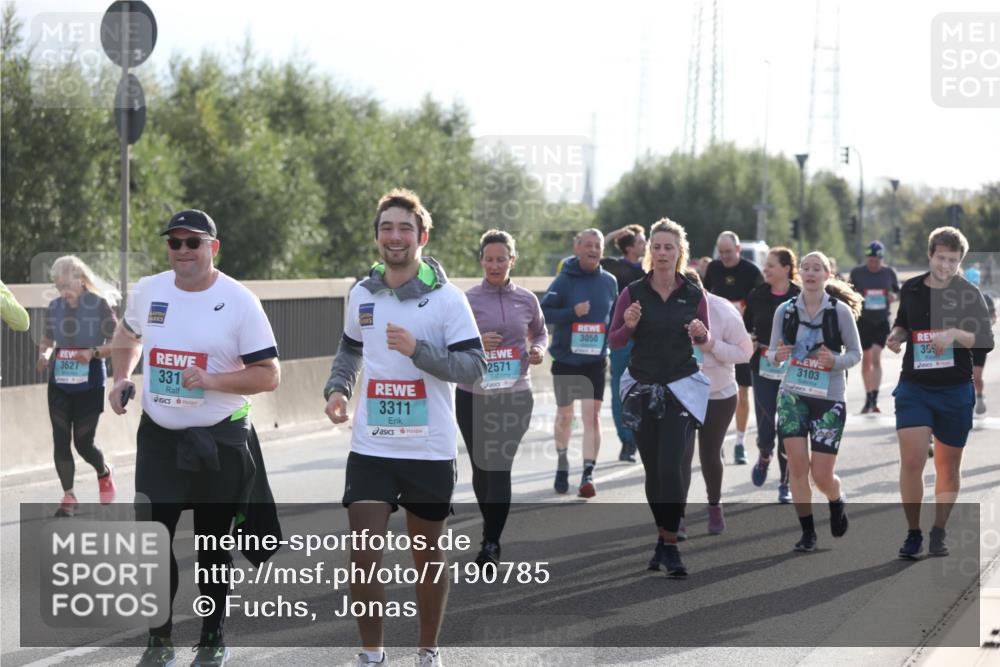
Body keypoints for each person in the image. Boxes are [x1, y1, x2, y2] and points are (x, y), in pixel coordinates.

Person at [108, 209, 281, 667]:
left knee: (211, 544)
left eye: (193, 242)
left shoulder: (240, 301)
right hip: (160, 438)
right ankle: (158, 639)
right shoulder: (149, 291)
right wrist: (121, 377)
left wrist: (212, 381)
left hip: (218, 440)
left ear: (213, 248)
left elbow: (269, 375)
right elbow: (126, 337)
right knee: (151, 540)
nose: (182, 251)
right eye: (175, 243)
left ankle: (211, 637)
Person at [323, 189, 485, 667]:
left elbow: (474, 367)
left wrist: (418, 350)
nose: (395, 237)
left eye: (405, 229)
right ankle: (371, 654)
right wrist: (338, 388)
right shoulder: (362, 293)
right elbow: (351, 348)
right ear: (377, 236)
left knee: (427, 557)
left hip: (429, 448)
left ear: (422, 236)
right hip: (372, 446)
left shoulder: (446, 299)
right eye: (387, 228)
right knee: (364, 552)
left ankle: (427, 650)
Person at [610, 218, 711, 577]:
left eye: (669, 247)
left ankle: (671, 545)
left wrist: (701, 335)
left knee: (672, 466)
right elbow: (616, 341)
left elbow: (704, 340)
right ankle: (662, 536)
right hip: (642, 388)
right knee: (653, 470)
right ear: (649, 251)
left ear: (680, 252)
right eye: (657, 246)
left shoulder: (694, 295)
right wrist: (630, 324)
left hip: (680, 389)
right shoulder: (633, 293)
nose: (662, 252)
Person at [887, 227, 994, 559]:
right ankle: (913, 533)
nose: (946, 265)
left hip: (954, 390)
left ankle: (939, 530)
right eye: (941, 257)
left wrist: (952, 334)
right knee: (913, 460)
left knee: (947, 467)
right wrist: (896, 335)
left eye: (953, 260)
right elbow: (904, 322)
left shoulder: (968, 292)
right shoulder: (913, 288)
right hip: (915, 386)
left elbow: (984, 339)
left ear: (960, 261)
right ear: (930, 254)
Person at [456, 229, 547, 569]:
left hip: (514, 395)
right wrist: (477, 341)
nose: (495, 265)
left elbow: (540, 331)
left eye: (501, 259)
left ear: (513, 260)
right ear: (481, 261)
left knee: (498, 466)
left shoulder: (526, 299)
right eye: (489, 259)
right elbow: (451, 340)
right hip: (473, 395)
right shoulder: (467, 300)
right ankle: (490, 528)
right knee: (481, 469)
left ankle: (490, 543)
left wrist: (537, 348)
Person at [768, 251, 862, 552]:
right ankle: (807, 532)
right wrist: (777, 357)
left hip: (829, 398)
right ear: (799, 275)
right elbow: (772, 354)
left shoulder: (840, 312)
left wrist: (834, 360)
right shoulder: (785, 311)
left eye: (817, 268)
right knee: (797, 467)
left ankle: (836, 499)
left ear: (827, 274)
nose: (810, 272)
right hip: (793, 394)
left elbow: (855, 355)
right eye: (805, 268)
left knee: (821, 475)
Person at [36, 256, 119, 517]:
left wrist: (93, 352)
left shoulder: (99, 305)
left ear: (81, 279)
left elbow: (117, 342)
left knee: (83, 443)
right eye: (58, 285)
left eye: (65, 283)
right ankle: (68, 495)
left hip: (90, 383)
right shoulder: (54, 307)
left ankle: (103, 471)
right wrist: (44, 355)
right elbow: (48, 340)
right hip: (60, 383)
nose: (62, 289)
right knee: (60, 441)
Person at [540, 229, 618, 497]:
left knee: (592, 417)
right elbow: (544, 311)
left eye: (597, 245)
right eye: (588, 245)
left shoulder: (609, 281)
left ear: (602, 251)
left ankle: (588, 472)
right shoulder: (564, 280)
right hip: (566, 359)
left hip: (595, 360)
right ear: (578, 248)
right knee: (565, 415)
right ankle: (562, 464)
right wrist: (572, 313)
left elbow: (615, 316)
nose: (593, 249)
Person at [679, 268, 752, 535]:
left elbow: (745, 353)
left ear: (702, 292)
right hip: (681, 393)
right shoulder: (669, 309)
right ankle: (678, 516)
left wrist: (712, 346)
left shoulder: (722, 310)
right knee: (681, 456)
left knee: (710, 454)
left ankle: (714, 505)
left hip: (718, 393)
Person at [745, 247, 801, 503]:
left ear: (786, 268)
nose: (765, 269)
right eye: (765, 265)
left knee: (787, 428)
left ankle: (784, 483)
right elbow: (746, 328)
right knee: (767, 428)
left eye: (770, 265)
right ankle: (764, 453)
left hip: (794, 371)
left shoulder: (799, 296)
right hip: (763, 369)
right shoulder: (757, 294)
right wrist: (750, 340)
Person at [703, 231, 764, 464]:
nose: (725, 257)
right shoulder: (714, 269)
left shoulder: (751, 272)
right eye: (722, 253)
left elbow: (760, 302)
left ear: (738, 250)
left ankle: (739, 442)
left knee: (742, 390)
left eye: (729, 252)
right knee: (715, 391)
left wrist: (754, 333)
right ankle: (717, 441)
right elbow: (704, 298)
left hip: (741, 337)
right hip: (716, 339)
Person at [600, 224, 647, 463]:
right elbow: (595, 250)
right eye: (641, 242)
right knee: (620, 390)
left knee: (645, 388)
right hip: (620, 337)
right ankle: (627, 441)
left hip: (648, 338)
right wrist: (615, 234)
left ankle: (644, 437)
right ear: (629, 248)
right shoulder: (614, 266)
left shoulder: (650, 267)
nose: (645, 245)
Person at [849, 241, 900, 414]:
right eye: (870, 260)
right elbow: (849, 292)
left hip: (881, 321)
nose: (873, 263)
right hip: (863, 321)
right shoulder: (857, 273)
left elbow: (897, 291)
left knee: (877, 357)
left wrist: (894, 296)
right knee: (867, 360)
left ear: (881, 259)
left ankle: (874, 399)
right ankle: (868, 396)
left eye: (876, 261)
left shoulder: (888, 273)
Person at [973, 291, 996, 415]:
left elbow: (993, 317)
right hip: (960, 344)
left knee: (976, 377)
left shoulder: (986, 297)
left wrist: (985, 325)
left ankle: (980, 396)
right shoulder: (955, 299)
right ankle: (967, 402)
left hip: (979, 343)